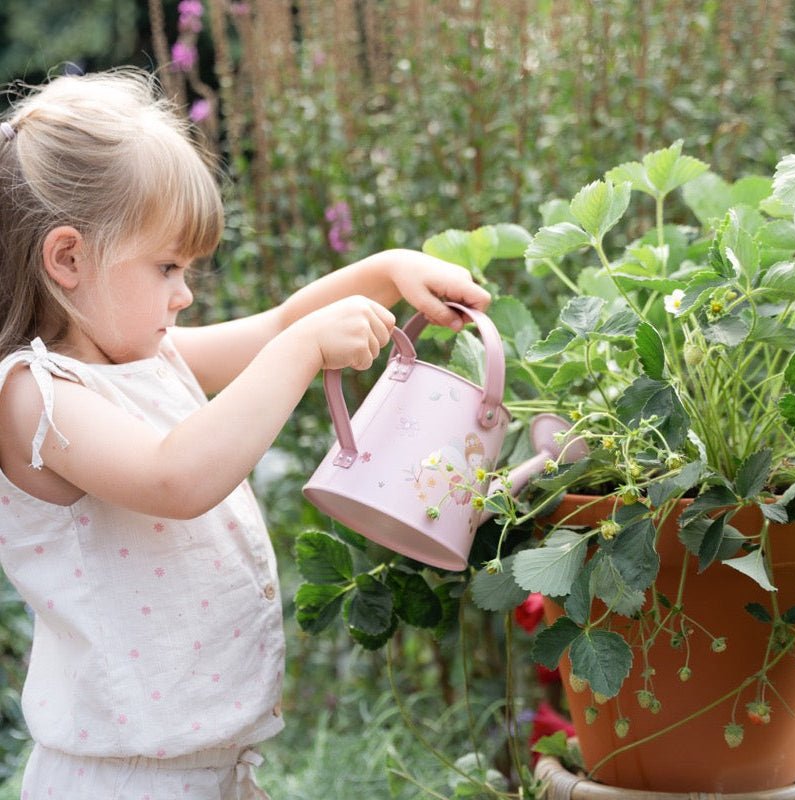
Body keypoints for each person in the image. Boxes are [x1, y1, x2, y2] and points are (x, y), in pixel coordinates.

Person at [0, 68, 491, 799]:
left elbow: (278, 324)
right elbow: (176, 477)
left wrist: (390, 271)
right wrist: (302, 353)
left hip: (206, 771)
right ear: (68, 259)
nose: (184, 293)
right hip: (121, 781)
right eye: (167, 266)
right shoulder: (34, 398)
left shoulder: (148, 357)